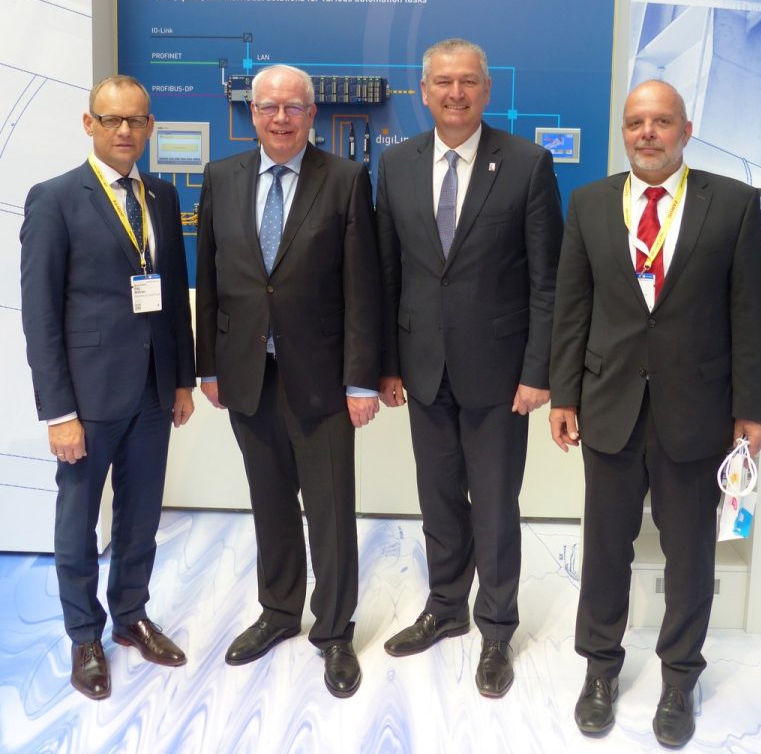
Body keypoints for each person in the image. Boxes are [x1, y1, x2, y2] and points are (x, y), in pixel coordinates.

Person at [549, 79, 761, 748]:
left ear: (686, 128)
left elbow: (751, 313)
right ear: (625, 129)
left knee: (690, 553)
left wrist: (752, 408)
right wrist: (563, 395)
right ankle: (600, 669)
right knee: (605, 547)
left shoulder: (731, 204)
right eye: (636, 121)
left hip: (696, 410)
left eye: (661, 121)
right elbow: (572, 308)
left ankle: (680, 676)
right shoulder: (588, 204)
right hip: (609, 404)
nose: (648, 132)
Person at [376, 38, 563, 697]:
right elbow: (388, 273)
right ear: (423, 92)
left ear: (488, 91)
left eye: (468, 83)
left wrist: (539, 369)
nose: (455, 93)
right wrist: (387, 364)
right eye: (442, 82)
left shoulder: (527, 164)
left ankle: (496, 627)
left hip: (501, 372)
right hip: (423, 369)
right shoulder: (395, 166)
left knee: (495, 508)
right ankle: (446, 607)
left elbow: (548, 282)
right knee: (438, 501)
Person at [195, 64, 380, 698]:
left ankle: (334, 631)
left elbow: (363, 287)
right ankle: (278, 613)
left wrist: (360, 382)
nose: (280, 118)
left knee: (329, 510)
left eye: (293, 108)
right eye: (269, 107)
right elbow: (210, 279)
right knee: (269, 503)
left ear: (312, 115)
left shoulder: (347, 180)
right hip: (247, 374)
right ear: (252, 114)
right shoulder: (222, 178)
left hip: (322, 379)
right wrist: (209, 365)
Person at [20, 75, 196, 701]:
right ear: (89, 124)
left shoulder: (165, 198)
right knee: (77, 520)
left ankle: (130, 618)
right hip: (87, 401)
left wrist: (181, 380)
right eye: (112, 119)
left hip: (152, 392)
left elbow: (172, 296)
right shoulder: (55, 199)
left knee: (142, 516)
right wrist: (58, 411)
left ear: (149, 128)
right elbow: (39, 315)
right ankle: (84, 636)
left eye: (137, 121)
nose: (126, 131)